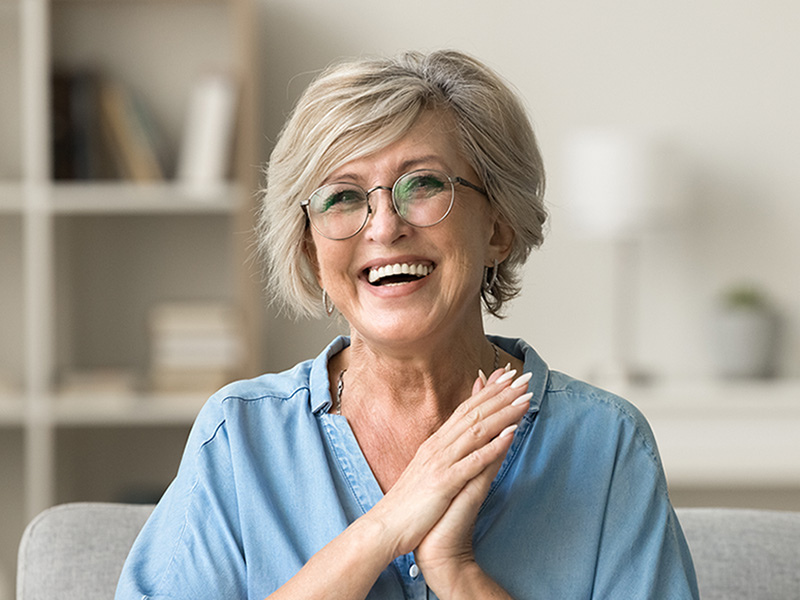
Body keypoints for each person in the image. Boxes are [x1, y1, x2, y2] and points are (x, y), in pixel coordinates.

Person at [116, 50, 698, 599]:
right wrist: (384, 529)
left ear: (497, 226)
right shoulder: (240, 437)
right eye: (342, 197)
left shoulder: (604, 443)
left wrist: (457, 570)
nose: (383, 226)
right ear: (312, 250)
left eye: (422, 185)